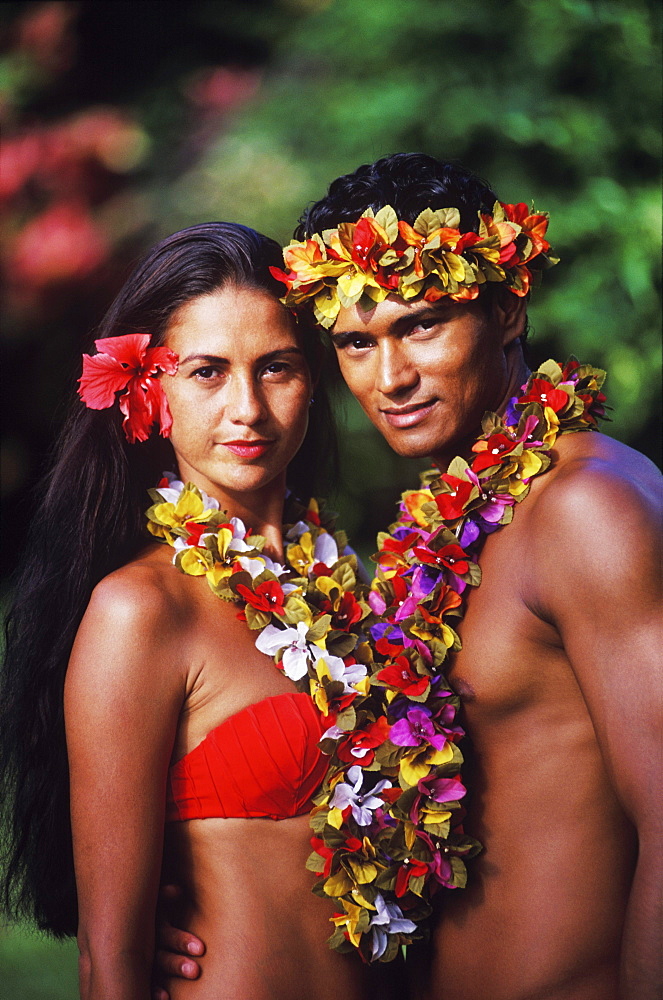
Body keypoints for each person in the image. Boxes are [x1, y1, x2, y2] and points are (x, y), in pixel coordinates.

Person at [158, 155, 662, 1000]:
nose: (388, 379)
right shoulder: (453, 525)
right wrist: (195, 908)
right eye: (356, 342)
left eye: (420, 325)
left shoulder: (587, 508)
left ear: (505, 310)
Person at [0, 222, 388, 999]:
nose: (247, 408)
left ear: (311, 379)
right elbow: (107, 964)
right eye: (207, 372)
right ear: (149, 392)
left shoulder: (355, 594)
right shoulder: (139, 612)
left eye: (274, 368)